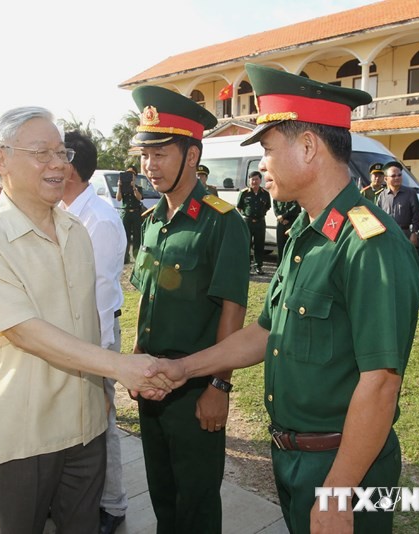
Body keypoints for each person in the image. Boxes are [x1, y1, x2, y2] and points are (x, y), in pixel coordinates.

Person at [147, 64, 419, 534]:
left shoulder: (367, 242)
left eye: (269, 150)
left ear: (309, 147)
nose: (262, 165)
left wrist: (338, 493)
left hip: (346, 467)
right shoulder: (305, 234)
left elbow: (381, 382)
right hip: (296, 459)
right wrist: (184, 369)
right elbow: (263, 331)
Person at [0, 107, 171, 533]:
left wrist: (102, 389)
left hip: (85, 425)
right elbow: (24, 330)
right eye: (41, 153)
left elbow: (89, 319)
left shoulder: (75, 230)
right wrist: (120, 368)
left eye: (61, 152)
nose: (57, 164)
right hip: (22, 432)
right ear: (1, 159)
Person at [129, 85, 251, 533]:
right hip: (152, 381)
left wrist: (219, 385)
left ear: (192, 154)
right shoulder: (154, 220)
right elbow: (146, 294)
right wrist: (137, 360)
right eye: (145, 155)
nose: (149, 165)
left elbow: (233, 310)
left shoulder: (223, 222)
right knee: (162, 493)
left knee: (196, 501)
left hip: (196, 384)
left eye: (160, 153)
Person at [60, 130, 129, 534]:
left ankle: (113, 504)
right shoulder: (61, 211)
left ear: (69, 167)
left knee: (102, 424)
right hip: (66, 339)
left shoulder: (97, 219)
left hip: (93, 338)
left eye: (53, 155)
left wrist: (101, 363)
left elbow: (101, 299)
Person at [376, 161, 419, 246]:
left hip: (404, 234)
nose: (397, 178)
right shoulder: (382, 195)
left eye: (399, 175)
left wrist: (414, 233)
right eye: (393, 176)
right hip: (387, 234)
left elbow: (417, 215)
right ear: (386, 179)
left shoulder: (410, 193)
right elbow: (378, 216)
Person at [236, 170, 271, 274]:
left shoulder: (265, 194)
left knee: (259, 245)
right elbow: (239, 207)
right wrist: (248, 216)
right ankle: (246, 267)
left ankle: (258, 266)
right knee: (246, 244)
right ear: (249, 181)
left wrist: (260, 214)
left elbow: (268, 206)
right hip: (248, 222)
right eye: (252, 179)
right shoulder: (244, 193)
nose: (254, 182)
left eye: (256, 179)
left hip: (260, 222)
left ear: (260, 180)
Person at [116, 164, 143, 263]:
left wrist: (134, 187)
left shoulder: (138, 187)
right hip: (126, 213)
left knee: (137, 236)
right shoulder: (122, 188)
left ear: (135, 176)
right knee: (125, 236)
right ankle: (125, 258)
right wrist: (119, 186)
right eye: (128, 173)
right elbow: (118, 198)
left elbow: (139, 197)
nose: (130, 175)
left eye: (132, 173)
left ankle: (136, 256)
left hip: (136, 213)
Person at [273, 199, 301, 266]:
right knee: (280, 247)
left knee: (291, 247)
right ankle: (279, 268)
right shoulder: (277, 196)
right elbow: (275, 208)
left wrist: (283, 216)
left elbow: (295, 208)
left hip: (292, 223)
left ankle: (290, 268)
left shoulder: (294, 194)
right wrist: (281, 219)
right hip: (280, 223)